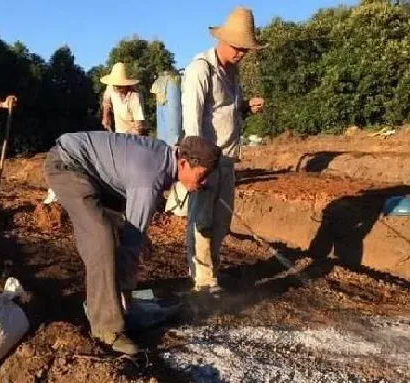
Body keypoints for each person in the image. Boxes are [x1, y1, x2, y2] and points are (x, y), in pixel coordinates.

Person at [44, 132, 221, 354]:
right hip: (68, 166)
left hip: (94, 173)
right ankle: (107, 329)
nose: (203, 183)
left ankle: (110, 296)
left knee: (124, 235)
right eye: (202, 176)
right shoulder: (151, 178)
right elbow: (131, 241)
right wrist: (126, 290)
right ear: (183, 163)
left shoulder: (163, 158)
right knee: (101, 238)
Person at [182, 6, 266, 293]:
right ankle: (202, 281)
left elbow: (225, 114)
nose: (242, 53)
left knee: (220, 221)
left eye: (246, 48)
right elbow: (192, 124)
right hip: (207, 161)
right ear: (223, 39)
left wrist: (245, 109)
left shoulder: (232, 72)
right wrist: (197, 167)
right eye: (238, 47)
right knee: (202, 219)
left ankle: (210, 271)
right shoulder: (200, 70)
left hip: (228, 158)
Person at [101, 62, 145, 135]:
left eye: (119, 85)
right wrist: (106, 116)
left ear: (126, 84)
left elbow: (139, 128)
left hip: (132, 136)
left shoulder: (135, 98)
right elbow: (106, 101)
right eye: (115, 84)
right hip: (118, 132)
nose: (116, 87)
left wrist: (124, 136)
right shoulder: (111, 87)